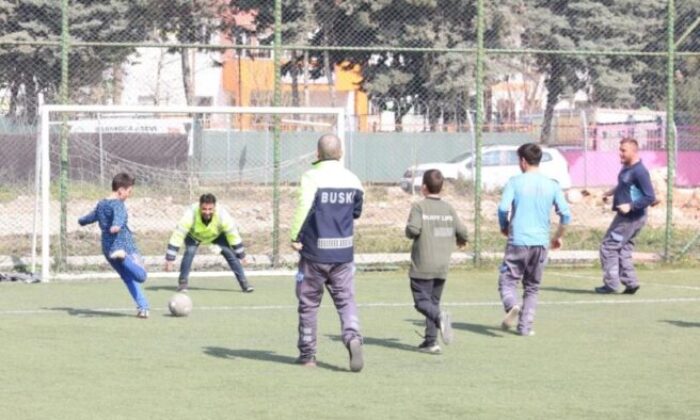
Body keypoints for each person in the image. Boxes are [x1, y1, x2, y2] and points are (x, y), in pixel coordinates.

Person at [290, 133, 365, 372]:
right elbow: (356, 212)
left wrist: (294, 236)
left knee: (309, 303)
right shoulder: (353, 180)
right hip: (343, 253)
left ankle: (308, 355)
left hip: (315, 253)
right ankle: (353, 337)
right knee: (345, 301)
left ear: (317, 154)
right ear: (340, 153)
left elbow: (304, 208)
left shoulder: (311, 177)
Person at [497, 143, 571, 336]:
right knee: (532, 286)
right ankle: (525, 327)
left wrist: (504, 226)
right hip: (541, 242)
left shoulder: (515, 182)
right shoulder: (552, 184)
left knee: (507, 280)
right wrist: (557, 237)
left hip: (518, 241)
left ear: (522, 161)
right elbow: (566, 214)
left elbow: (503, 208)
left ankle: (512, 305)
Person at [405, 169, 468, 354]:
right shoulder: (448, 208)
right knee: (433, 302)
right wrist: (460, 239)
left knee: (421, 303)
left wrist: (408, 230)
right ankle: (431, 342)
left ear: (424, 187)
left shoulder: (419, 206)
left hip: (423, 265)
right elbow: (463, 231)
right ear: (442, 188)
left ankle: (440, 317)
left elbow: (413, 230)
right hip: (442, 266)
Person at [78, 173, 150, 318]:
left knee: (127, 278)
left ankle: (143, 308)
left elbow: (91, 217)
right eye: (129, 192)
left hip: (108, 249)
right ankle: (124, 258)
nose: (129, 195)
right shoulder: (118, 203)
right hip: (124, 246)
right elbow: (120, 215)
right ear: (121, 190)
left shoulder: (101, 204)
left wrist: (82, 221)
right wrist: (116, 225)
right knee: (141, 276)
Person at [596, 137, 656, 294]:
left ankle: (611, 284)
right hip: (626, 217)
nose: (620, 153)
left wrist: (630, 206)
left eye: (623, 150)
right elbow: (625, 184)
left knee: (608, 246)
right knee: (623, 249)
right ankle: (631, 283)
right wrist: (611, 192)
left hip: (631, 217)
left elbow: (649, 197)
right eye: (620, 149)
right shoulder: (627, 168)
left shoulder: (640, 171)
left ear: (634, 151)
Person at [165, 193, 253, 293]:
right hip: (194, 236)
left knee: (229, 253)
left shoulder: (223, 215)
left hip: (216, 236)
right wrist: (170, 259)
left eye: (210, 209)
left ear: (214, 207)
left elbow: (233, 235)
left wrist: (241, 255)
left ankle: (244, 283)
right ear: (199, 207)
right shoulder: (191, 214)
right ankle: (183, 283)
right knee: (190, 251)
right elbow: (178, 235)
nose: (207, 212)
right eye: (204, 209)